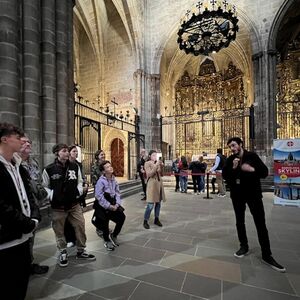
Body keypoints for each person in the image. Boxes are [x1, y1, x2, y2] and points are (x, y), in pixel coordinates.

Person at [222, 137, 286, 273]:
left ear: (240, 144)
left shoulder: (252, 156)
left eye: (233, 145)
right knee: (240, 222)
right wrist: (233, 167)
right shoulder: (229, 160)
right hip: (237, 196)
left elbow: (264, 173)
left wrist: (251, 169)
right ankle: (243, 246)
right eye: (230, 147)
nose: (232, 149)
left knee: (260, 223)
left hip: (253, 195)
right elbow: (226, 176)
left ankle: (266, 254)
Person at [0, 122, 41, 300]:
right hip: (7, 239)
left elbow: (29, 195)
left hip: (24, 237)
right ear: (4, 139)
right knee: (8, 286)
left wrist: (35, 217)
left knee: (21, 283)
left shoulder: (18, 166)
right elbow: (1, 206)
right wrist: (26, 223)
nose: (22, 142)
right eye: (18, 138)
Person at [42, 143, 96, 267]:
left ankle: (81, 250)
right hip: (58, 206)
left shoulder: (74, 166)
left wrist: (78, 191)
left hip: (73, 204)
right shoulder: (49, 169)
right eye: (64, 151)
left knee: (80, 225)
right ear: (57, 153)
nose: (67, 153)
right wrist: (52, 195)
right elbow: (45, 186)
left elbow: (80, 181)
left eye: (68, 151)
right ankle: (62, 251)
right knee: (59, 230)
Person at [19, 135, 49, 275]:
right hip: (19, 206)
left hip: (33, 206)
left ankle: (28, 264)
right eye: (24, 142)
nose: (28, 144)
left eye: (29, 142)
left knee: (31, 237)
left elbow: (39, 182)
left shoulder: (34, 162)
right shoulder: (13, 163)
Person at [93, 160, 126, 251]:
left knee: (122, 217)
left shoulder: (114, 180)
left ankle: (114, 235)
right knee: (105, 223)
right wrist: (109, 206)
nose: (110, 167)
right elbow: (99, 196)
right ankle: (107, 240)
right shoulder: (101, 181)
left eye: (110, 166)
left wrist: (117, 204)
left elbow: (117, 193)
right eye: (107, 167)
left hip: (113, 203)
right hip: (103, 206)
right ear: (103, 171)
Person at [64, 144, 89, 247]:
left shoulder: (79, 164)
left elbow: (82, 176)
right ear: (69, 152)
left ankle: (77, 239)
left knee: (78, 220)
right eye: (74, 151)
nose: (76, 153)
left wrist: (85, 183)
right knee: (67, 219)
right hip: (67, 195)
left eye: (77, 151)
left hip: (78, 194)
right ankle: (69, 239)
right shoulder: (65, 164)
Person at [143, 150, 166, 229]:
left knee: (158, 203)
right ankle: (145, 220)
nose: (155, 157)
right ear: (149, 156)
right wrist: (156, 165)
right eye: (153, 155)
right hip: (152, 185)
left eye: (156, 155)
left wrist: (162, 166)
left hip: (159, 185)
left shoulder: (157, 163)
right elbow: (149, 174)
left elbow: (162, 174)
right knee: (150, 205)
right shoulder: (147, 163)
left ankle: (156, 219)